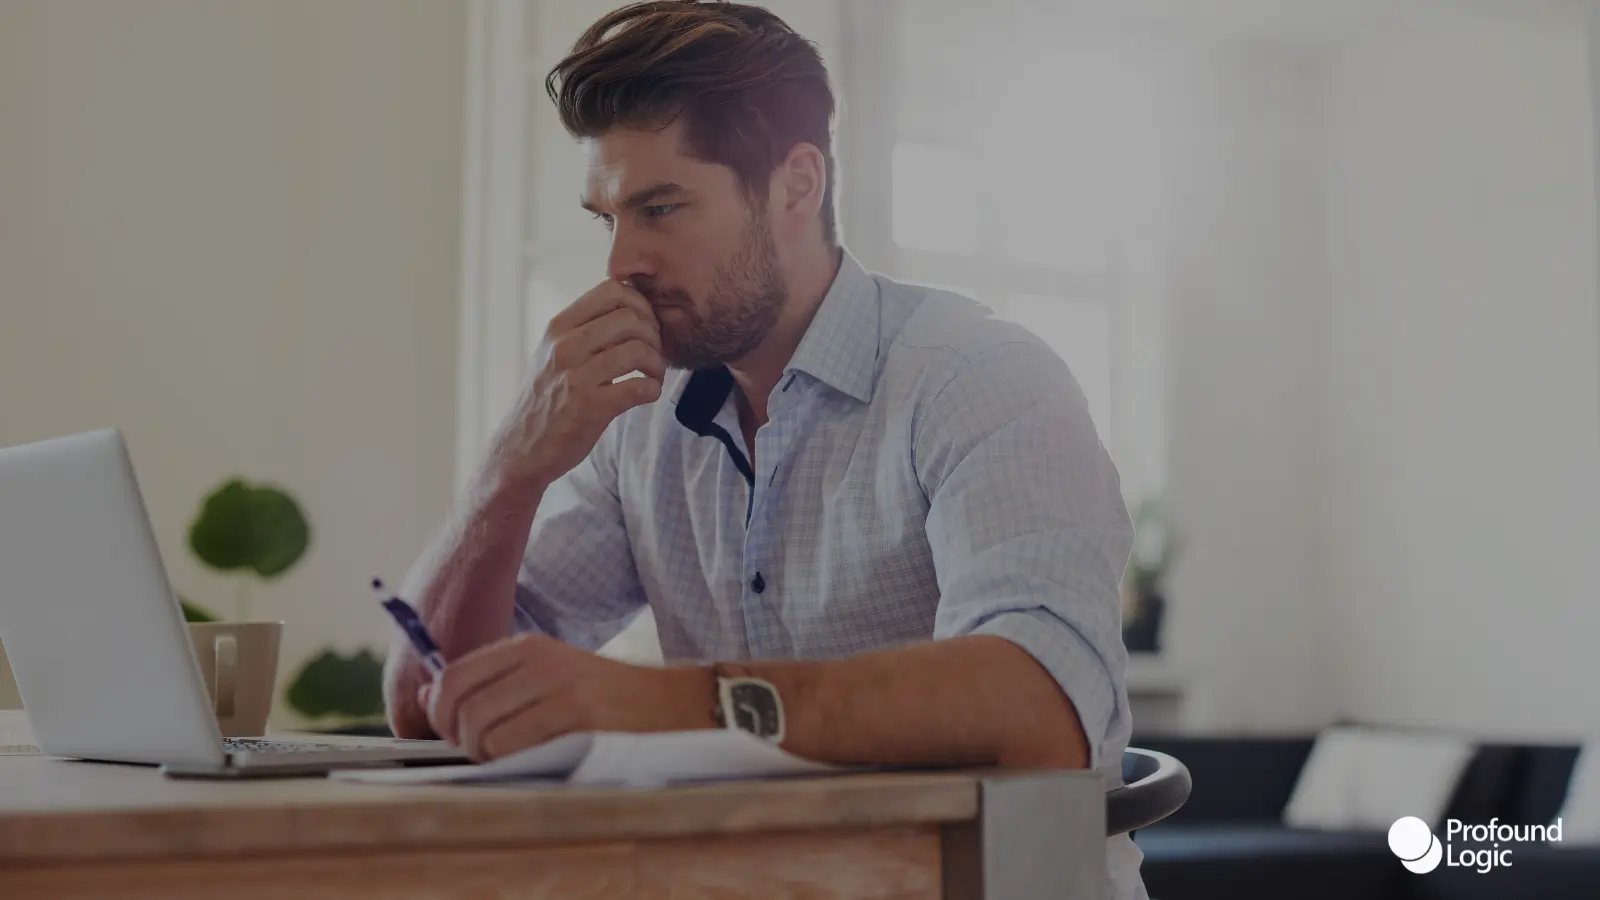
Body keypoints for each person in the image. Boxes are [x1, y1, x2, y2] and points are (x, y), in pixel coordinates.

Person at [383, 2, 1142, 895]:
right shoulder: (642, 423)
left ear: (796, 185)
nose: (621, 262)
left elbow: (1042, 706)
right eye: (608, 219)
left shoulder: (980, 378)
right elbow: (429, 699)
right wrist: (510, 469)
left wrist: (667, 707)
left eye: (661, 207)